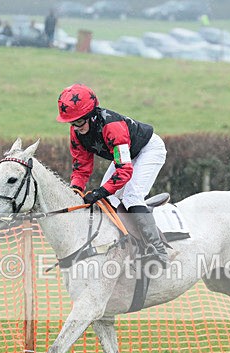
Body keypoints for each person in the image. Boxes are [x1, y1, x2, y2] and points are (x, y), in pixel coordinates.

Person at [56, 83, 169, 266]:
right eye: (71, 123)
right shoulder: (77, 132)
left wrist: (100, 191)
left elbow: (124, 171)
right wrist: (76, 191)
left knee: (132, 197)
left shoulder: (112, 126)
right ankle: (129, 247)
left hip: (149, 150)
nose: (75, 127)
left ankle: (158, 251)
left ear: (91, 116)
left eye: (78, 122)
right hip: (127, 154)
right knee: (108, 202)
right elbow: (81, 167)